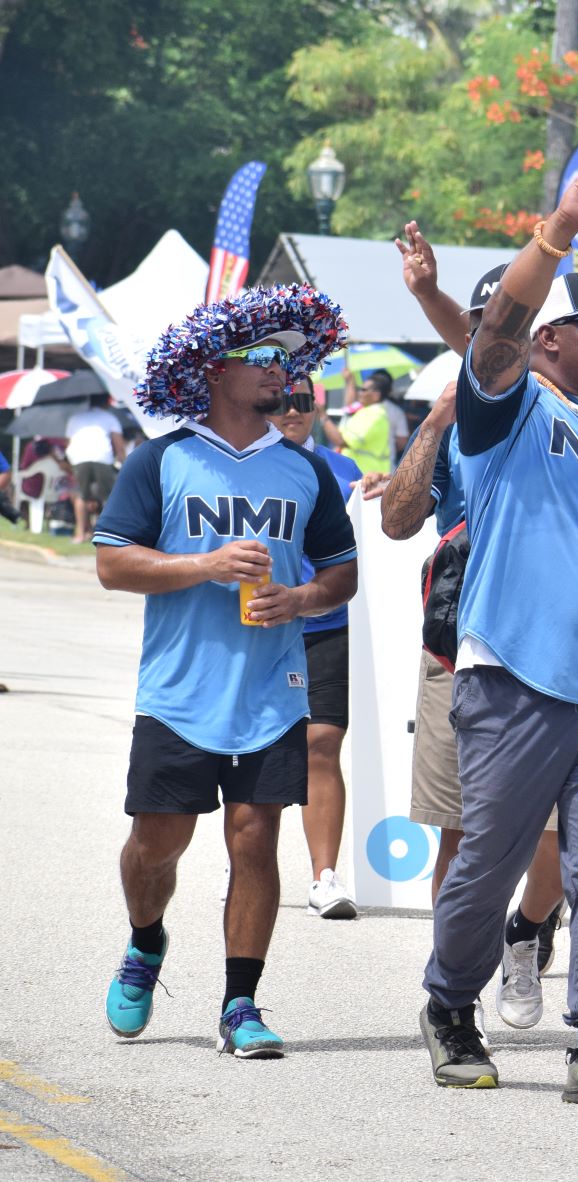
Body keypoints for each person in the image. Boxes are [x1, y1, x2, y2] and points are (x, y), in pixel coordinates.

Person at [417, 177, 578, 1107]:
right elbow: (493, 333)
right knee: (489, 862)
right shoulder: (511, 410)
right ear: (547, 340)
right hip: (513, 677)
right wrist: (559, 231)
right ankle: (449, 1007)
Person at [96, 284, 353, 1059]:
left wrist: (302, 595)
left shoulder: (306, 470)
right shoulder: (162, 459)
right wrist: (204, 563)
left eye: (287, 359)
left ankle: (241, 1003)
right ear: (214, 369)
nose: (282, 371)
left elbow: (340, 573)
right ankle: (146, 941)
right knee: (159, 844)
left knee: (254, 838)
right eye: (263, 357)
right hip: (178, 692)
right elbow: (112, 563)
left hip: (272, 691)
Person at [382, 253, 572, 1016]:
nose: (507, 335)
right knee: (460, 837)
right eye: (494, 325)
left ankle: (525, 930)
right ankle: (451, 990)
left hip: (555, 651)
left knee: (556, 839)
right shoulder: (464, 410)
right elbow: (397, 521)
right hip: (458, 647)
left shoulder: (573, 410)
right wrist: (431, 422)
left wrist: (429, 292)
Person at [268, 374, 363, 919]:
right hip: (262, 626)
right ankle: (248, 856)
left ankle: (324, 877)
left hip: (329, 625)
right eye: (281, 399)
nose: (291, 410)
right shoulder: (249, 461)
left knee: (322, 743)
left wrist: (382, 484)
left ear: (316, 405)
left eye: (302, 401)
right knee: (263, 750)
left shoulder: (342, 467)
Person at [64, 395, 126, 543]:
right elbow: (119, 446)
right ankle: (105, 533)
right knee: (109, 497)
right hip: (102, 457)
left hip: (78, 457)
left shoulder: (75, 418)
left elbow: (67, 443)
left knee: (82, 495)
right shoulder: (110, 418)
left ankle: (80, 533)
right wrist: (123, 464)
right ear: (106, 403)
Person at [325, 367, 407, 474]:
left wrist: (323, 417)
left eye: (363, 390)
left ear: (376, 394)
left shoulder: (375, 414)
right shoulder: (365, 409)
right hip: (368, 471)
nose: (360, 393)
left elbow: (341, 441)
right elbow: (349, 408)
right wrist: (350, 381)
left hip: (370, 473)